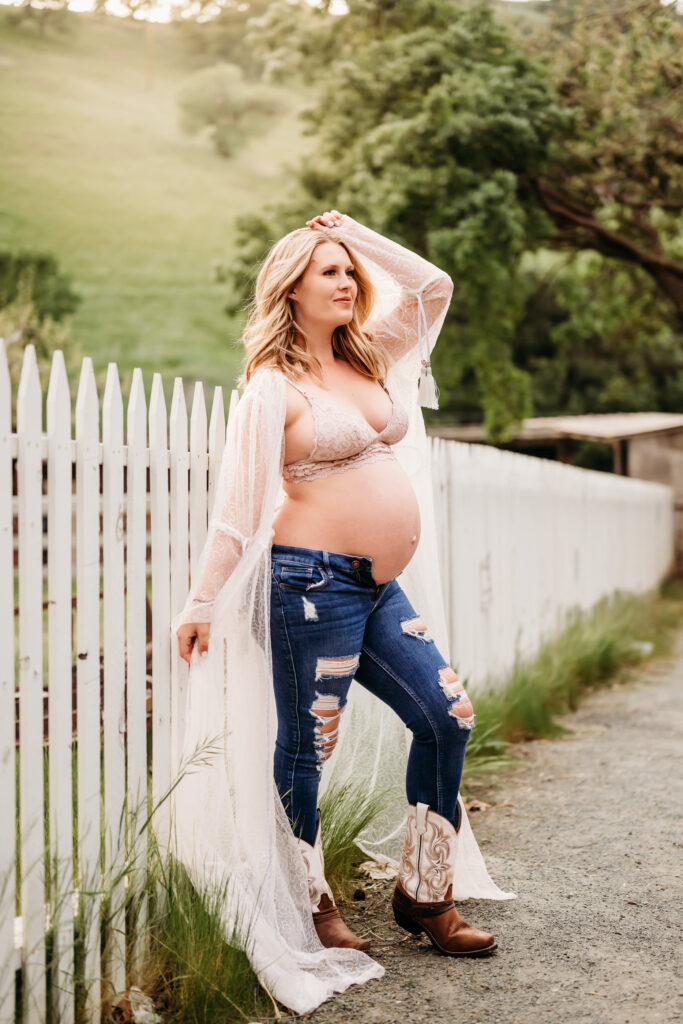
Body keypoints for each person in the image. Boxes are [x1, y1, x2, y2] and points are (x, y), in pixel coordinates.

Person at [170, 211, 514, 1015]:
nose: (347, 280)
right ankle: (310, 902)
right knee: (307, 749)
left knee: (446, 716)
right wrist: (201, 599)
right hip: (307, 588)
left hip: (377, 588)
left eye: (350, 270)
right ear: (290, 285)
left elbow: (433, 288)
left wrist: (352, 231)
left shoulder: (368, 359)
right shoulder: (271, 387)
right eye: (328, 269)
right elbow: (238, 509)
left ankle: (425, 893)